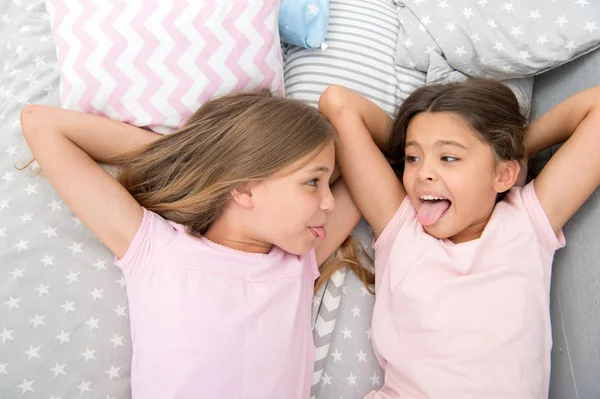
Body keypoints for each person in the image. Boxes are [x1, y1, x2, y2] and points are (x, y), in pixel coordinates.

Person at [20, 91, 361, 398]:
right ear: (243, 188)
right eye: (313, 181)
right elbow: (41, 123)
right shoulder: (157, 248)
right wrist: (199, 158)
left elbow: (371, 167)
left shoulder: (296, 263)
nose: (329, 203)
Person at [319, 79, 600, 398]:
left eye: (449, 158)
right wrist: (409, 149)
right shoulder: (402, 231)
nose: (423, 172)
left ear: (503, 175)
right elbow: (337, 103)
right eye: (413, 159)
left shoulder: (526, 224)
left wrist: (514, 151)